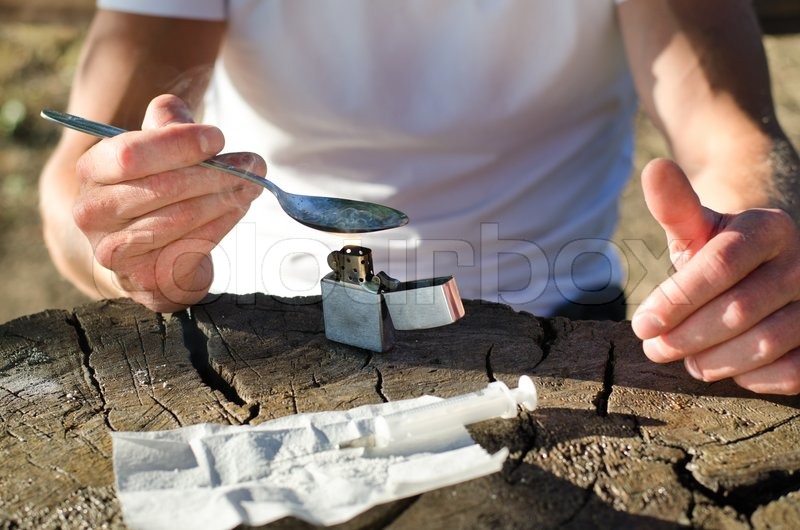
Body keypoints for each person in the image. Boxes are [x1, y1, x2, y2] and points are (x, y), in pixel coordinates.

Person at [39, 0, 800, 395]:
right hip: (264, 340)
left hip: (558, 332)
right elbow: (78, 180)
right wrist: (132, 243)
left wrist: (749, 256)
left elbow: (732, 137)